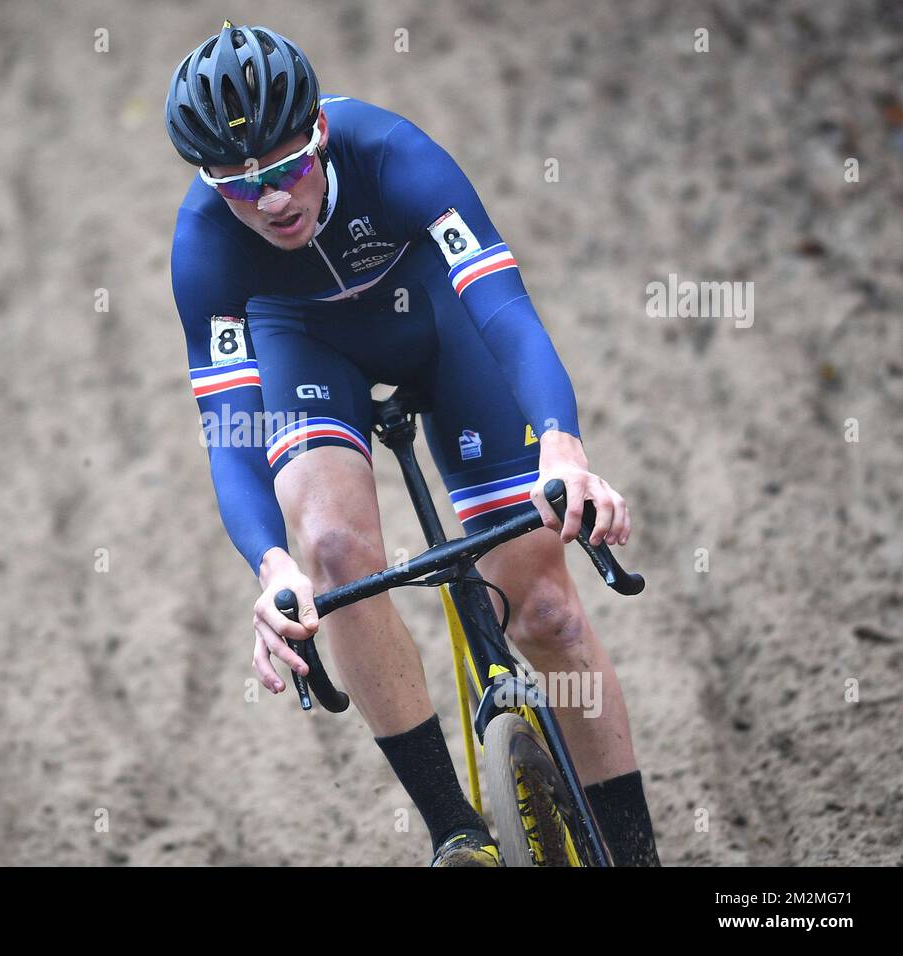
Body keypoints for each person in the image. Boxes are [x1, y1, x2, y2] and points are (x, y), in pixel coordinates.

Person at [166, 22, 661, 867]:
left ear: (319, 132)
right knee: (329, 549)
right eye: (239, 186)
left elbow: (505, 312)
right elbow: (231, 428)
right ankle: (456, 832)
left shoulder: (393, 154)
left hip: (438, 324)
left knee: (544, 610)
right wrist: (270, 565)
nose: (272, 201)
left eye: (285, 169)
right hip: (307, 349)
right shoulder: (205, 245)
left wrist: (563, 447)